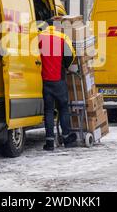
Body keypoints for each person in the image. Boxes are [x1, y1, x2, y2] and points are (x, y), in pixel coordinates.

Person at [38, 19, 77, 151]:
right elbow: (71, 56)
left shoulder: (38, 38)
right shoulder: (61, 37)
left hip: (45, 80)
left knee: (48, 110)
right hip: (58, 80)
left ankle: (49, 142)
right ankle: (66, 138)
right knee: (63, 108)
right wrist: (65, 66)